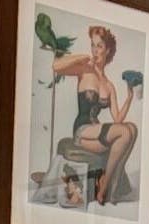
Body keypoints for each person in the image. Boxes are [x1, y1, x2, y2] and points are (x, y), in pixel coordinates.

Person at [51, 25, 143, 207]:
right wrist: (82, 57)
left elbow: (117, 119)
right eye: (93, 45)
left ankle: (108, 181)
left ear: (108, 50)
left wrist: (130, 96)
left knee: (131, 128)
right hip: (82, 131)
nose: (95, 50)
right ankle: (105, 185)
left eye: (99, 46)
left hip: (96, 135)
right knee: (124, 132)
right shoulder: (85, 69)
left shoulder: (109, 86)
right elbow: (56, 66)